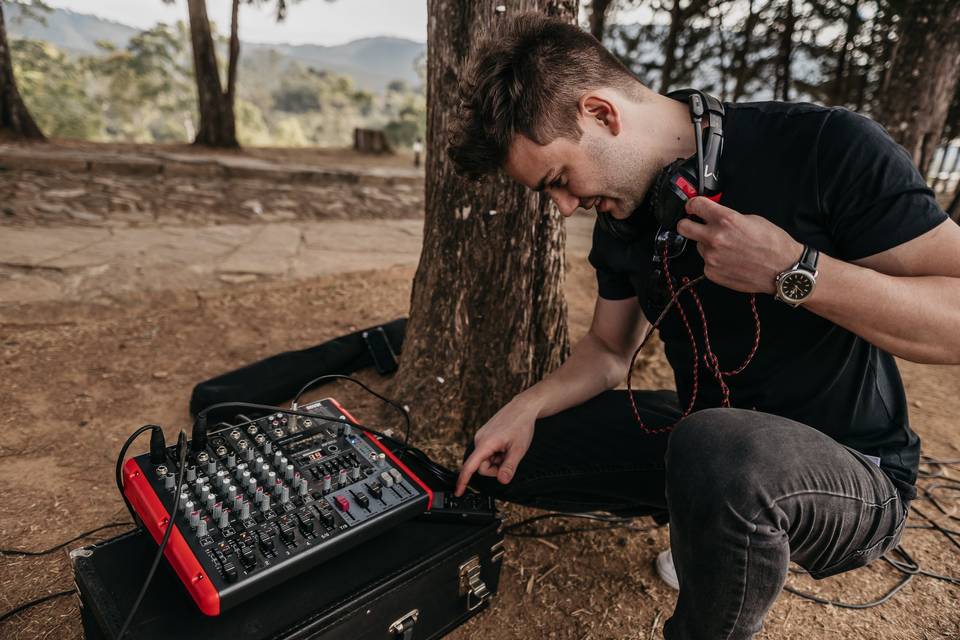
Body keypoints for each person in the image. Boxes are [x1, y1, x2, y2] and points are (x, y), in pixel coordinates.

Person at [446, 13, 960, 640]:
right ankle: (718, 527)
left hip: (856, 474)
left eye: (558, 179)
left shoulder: (829, 146)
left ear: (601, 114)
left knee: (718, 448)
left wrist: (794, 271)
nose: (564, 207)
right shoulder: (626, 211)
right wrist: (524, 408)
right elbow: (609, 348)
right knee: (524, 454)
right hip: (709, 445)